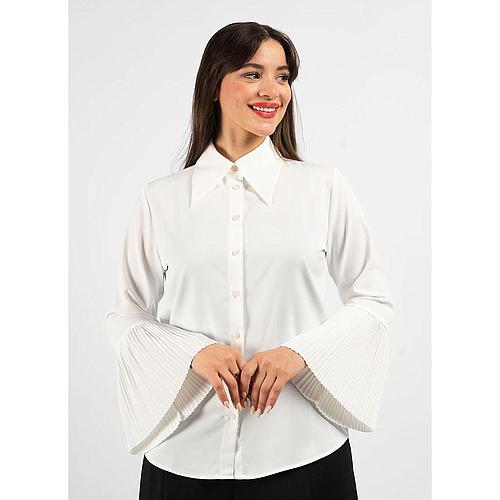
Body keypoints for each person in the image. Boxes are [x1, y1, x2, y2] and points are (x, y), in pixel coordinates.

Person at [105, 21, 395, 500]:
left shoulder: (323, 188)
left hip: (303, 452)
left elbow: (373, 300)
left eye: (283, 77)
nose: (272, 91)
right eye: (252, 73)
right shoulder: (160, 200)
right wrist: (192, 352)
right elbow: (125, 315)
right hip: (184, 458)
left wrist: (299, 355)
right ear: (213, 85)